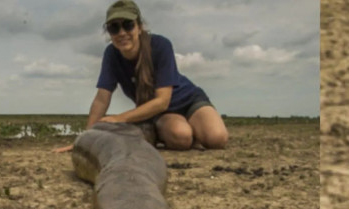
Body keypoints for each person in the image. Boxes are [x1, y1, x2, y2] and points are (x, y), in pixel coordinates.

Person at [54, 0, 228, 153]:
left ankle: (192, 130)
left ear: (139, 27)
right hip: (161, 113)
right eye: (114, 28)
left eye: (128, 25)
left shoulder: (161, 46)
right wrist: (86, 139)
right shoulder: (111, 54)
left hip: (188, 100)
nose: (121, 33)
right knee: (181, 138)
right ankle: (164, 130)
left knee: (217, 139)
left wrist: (119, 118)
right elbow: (102, 98)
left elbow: (162, 100)